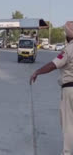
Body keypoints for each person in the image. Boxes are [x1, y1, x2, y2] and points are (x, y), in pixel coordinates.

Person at [30, 21, 73, 155]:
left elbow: (53, 64)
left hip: (70, 90)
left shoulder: (69, 49)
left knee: (68, 125)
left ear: (68, 36)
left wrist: (37, 72)